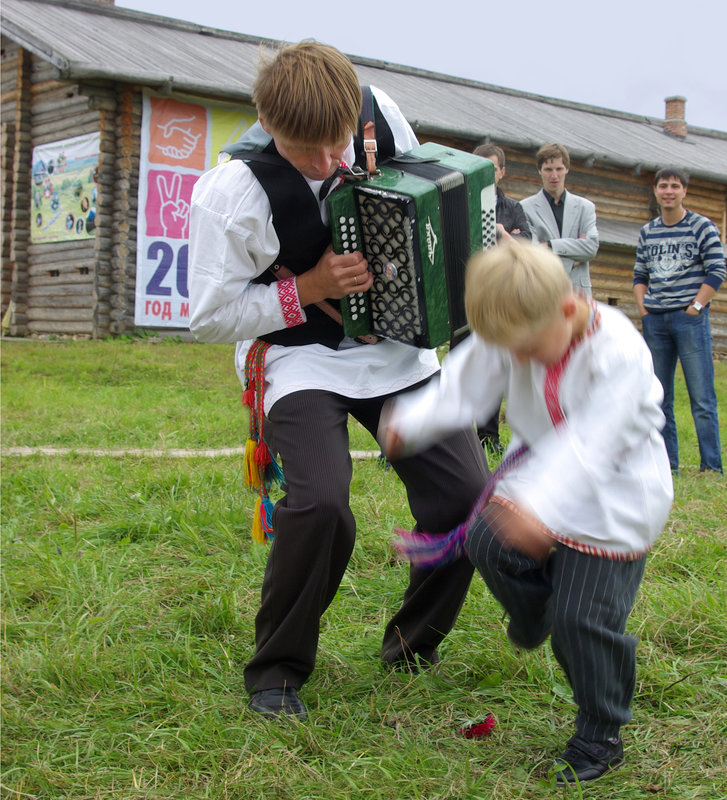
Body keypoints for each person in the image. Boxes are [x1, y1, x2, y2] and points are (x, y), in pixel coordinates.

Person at [188, 41, 489, 722]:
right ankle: (277, 672)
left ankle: (413, 644)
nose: (329, 166)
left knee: (468, 499)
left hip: (397, 352)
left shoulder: (379, 115)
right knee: (321, 505)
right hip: (300, 359)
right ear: (266, 121)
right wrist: (309, 288)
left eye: (338, 146)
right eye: (307, 152)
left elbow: (418, 194)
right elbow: (207, 318)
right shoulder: (232, 193)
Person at [380, 240, 673, 784]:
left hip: (612, 497)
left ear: (567, 309)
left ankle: (600, 734)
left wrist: (540, 506)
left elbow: (592, 443)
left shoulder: (618, 353)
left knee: (582, 620)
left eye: (529, 351)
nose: (519, 361)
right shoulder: (519, 325)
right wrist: (413, 420)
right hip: (540, 471)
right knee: (488, 541)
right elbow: (466, 384)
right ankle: (533, 612)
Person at [633, 166, 726, 474]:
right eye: (663, 186)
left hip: (689, 320)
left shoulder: (702, 227)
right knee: (659, 397)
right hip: (656, 321)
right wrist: (643, 309)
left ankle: (711, 466)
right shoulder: (648, 232)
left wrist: (696, 306)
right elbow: (640, 275)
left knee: (701, 397)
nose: (669, 191)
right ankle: (667, 464)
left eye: (675, 186)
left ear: (685, 191)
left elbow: (717, 270)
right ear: (656, 191)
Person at [471, 142, 532, 455]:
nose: (486, 173)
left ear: (502, 172)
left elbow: (527, 248)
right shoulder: (459, 200)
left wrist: (501, 233)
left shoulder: (513, 210)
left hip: (499, 299)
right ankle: (455, 439)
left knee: (495, 367)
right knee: (458, 364)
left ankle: (488, 437)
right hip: (465, 297)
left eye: (491, 168)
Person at [521, 142, 599, 295]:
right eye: (548, 169)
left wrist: (550, 246)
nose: (554, 175)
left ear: (567, 169)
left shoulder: (586, 208)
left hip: (578, 295)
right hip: (543, 292)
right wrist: (574, 256)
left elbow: (590, 248)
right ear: (539, 171)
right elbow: (533, 254)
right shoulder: (524, 208)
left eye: (559, 169)